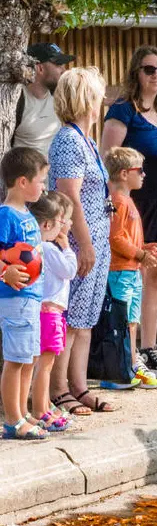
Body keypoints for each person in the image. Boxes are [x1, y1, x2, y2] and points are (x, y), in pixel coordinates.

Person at [101, 46, 157, 381]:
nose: (156, 76)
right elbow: (110, 159)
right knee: (131, 278)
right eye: (149, 69)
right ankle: (127, 351)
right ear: (136, 72)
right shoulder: (124, 111)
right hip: (136, 207)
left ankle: (151, 349)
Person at [48, 67, 116, 416]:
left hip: (98, 241)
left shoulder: (87, 139)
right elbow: (68, 195)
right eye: (98, 93)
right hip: (78, 243)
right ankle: (58, 389)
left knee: (85, 319)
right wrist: (85, 244)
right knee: (69, 317)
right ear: (86, 98)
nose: (103, 99)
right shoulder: (68, 141)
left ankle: (79, 385)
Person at [103, 146, 157, 389]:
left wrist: (142, 247)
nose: (144, 175)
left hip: (130, 270)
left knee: (131, 320)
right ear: (122, 174)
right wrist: (140, 253)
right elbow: (115, 238)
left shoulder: (126, 200)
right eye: (139, 170)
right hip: (120, 271)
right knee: (122, 322)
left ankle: (130, 364)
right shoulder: (119, 201)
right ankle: (119, 369)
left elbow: (124, 238)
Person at [0, 146, 50, 439]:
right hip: (14, 299)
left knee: (28, 357)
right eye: (41, 181)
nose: (43, 187)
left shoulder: (27, 215)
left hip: (31, 299)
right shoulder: (6, 215)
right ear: (22, 182)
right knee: (15, 360)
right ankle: (13, 420)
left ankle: (23, 413)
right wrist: (4, 271)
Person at [29, 190, 76, 432]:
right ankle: (41, 410)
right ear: (48, 223)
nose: (67, 224)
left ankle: (43, 404)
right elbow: (69, 270)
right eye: (63, 220)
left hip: (47, 311)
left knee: (41, 364)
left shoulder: (42, 247)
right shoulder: (49, 248)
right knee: (45, 365)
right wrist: (67, 247)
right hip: (50, 313)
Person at [12, 43, 75, 154]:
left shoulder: (59, 97)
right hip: (25, 170)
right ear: (40, 68)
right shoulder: (16, 100)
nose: (64, 70)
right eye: (58, 64)